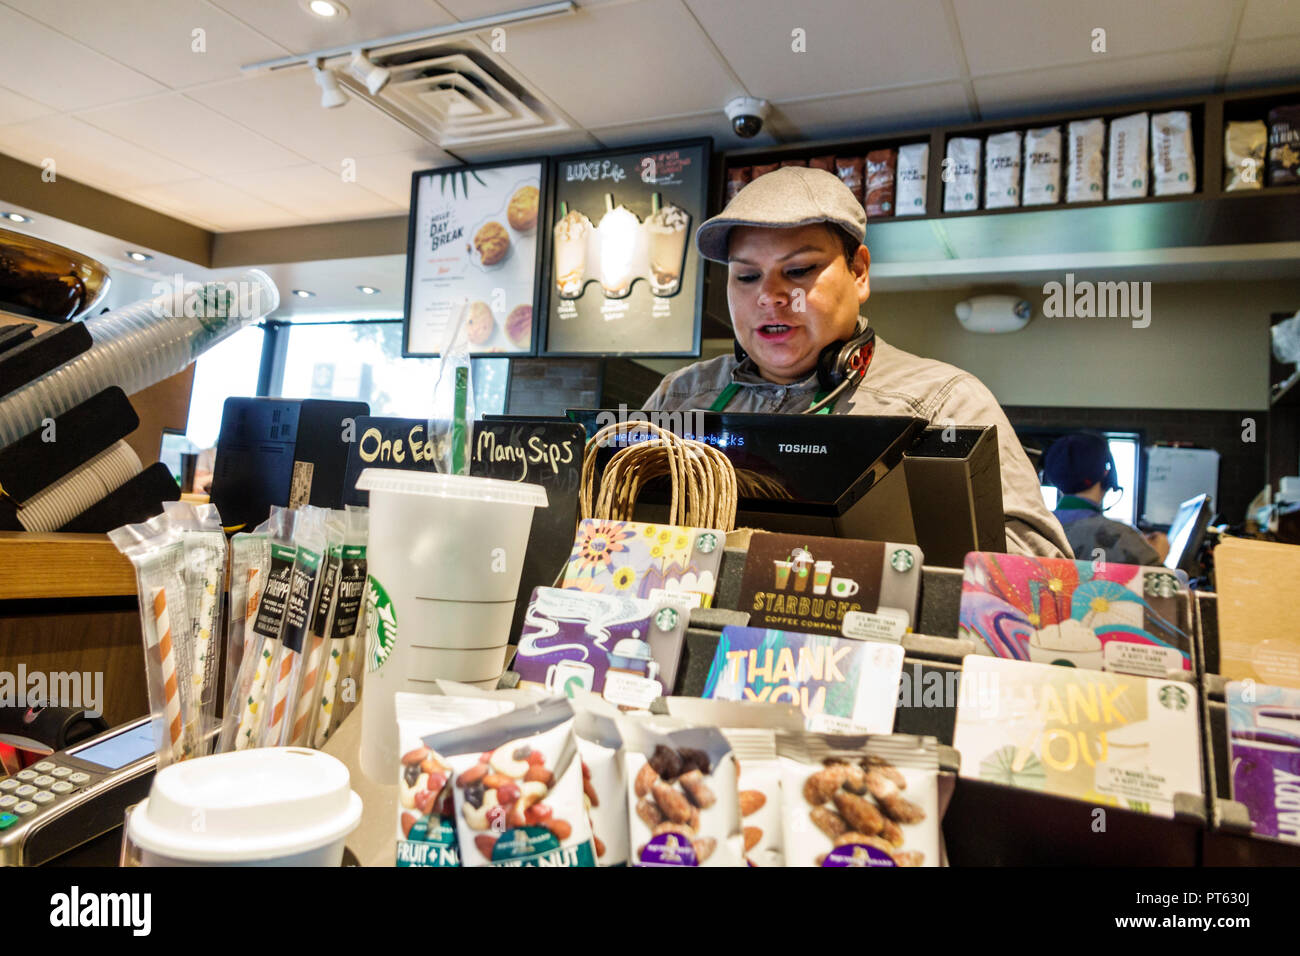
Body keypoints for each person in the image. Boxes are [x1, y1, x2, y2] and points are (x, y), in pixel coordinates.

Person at [642, 166, 1071, 558]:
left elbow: (1041, 576)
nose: (768, 296)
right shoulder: (678, 397)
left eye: (798, 270)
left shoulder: (945, 403)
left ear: (859, 272)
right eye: (747, 276)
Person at [1043, 432, 1168, 566]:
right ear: (1107, 473)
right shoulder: (1120, 537)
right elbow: (1162, 583)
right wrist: (1158, 556)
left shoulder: (1039, 529)